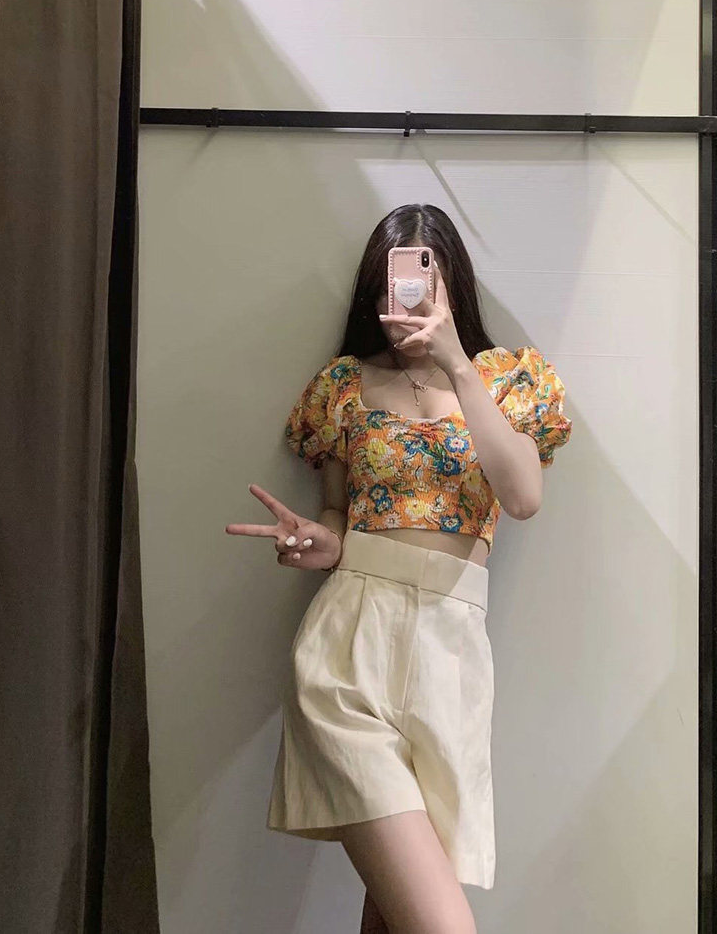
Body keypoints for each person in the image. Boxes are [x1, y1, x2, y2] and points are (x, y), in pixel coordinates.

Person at [225, 204, 573, 933]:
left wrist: (455, 362)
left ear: (451, 287)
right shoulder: (345, 386)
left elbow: (523, 498)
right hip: (350, 645)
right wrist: (319, 543)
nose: (403, 306)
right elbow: (337, 515)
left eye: (420, 286)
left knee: (394, 914)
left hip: (451, 656)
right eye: (390, 290)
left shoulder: (508, 379)